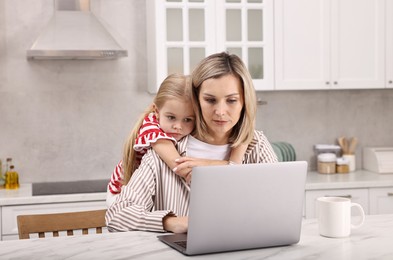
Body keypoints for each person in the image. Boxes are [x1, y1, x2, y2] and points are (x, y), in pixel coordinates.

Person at [105, 52, 277, 234]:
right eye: (210, 100)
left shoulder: (256, 145)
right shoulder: (166, 148)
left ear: (244, 102)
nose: (220, 111)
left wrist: (220, 168)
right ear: (196, 99)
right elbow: (117, 215)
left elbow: (280, 204)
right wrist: (172, 222)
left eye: (232, 100)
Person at [106, 73, 248, 207]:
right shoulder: (152, 129)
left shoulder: (187, 132)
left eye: (187, 119)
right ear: (156, 111)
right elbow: (180, 167)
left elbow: (246, 132)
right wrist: (229, 166)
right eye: (171, 117)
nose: (178, 127)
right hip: (120, 195)